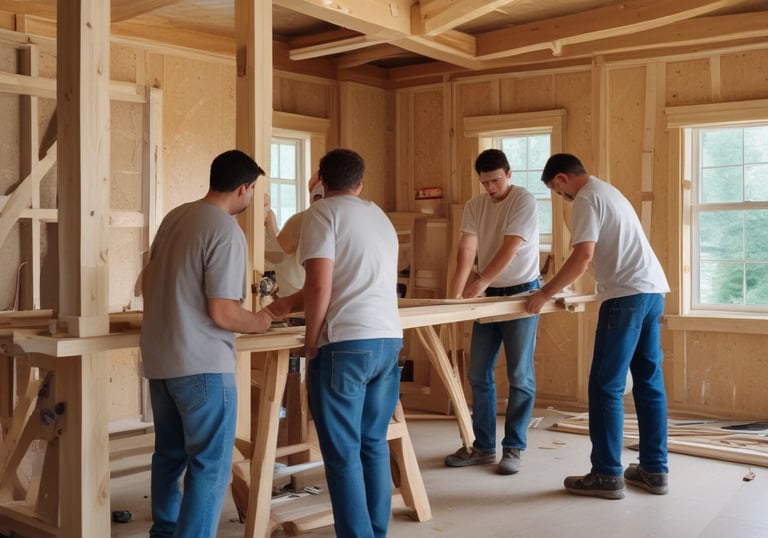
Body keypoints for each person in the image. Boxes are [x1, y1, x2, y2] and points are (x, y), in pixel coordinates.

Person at [140, 149, 275, 538]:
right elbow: (223, 312)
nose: (251, 200)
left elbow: (147, 283)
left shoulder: (175, 217)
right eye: (252, 193)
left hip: (161, 361)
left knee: (169, 456)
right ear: (243, 188)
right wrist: (260, 321)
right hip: (201, 365)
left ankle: (165, 532)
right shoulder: (225, 230)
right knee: (210, 466)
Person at [271, 148, 403, 537]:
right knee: (372, 444)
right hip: (388, 341)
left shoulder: (321, 214)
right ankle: (375, 532)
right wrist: (286, 305)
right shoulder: (378, 216)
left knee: (342, 453)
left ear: (319, 181)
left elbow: (319, 284)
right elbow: (344, 280)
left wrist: (311, 342)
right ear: (361, 183)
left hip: (346, 343)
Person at [526, 153, 670, 500]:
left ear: (560, 179)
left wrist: (544, 292)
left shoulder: (587, 198)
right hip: (652, 292)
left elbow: (583, 255)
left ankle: (606, 474)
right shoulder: (609, 192)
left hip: (625, 298)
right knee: (649, 383)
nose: (561, 198)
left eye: (557, 192)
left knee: (605, 386)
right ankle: (654, 470)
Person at [443, 148, 540, 475]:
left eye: (496, 181)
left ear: (509, 174)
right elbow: (467, 249)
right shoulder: (475, 205)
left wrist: (480, 281)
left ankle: (513, 448)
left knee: (519, 376)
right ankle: (483, 446)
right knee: (478, 373)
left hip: (520, 296)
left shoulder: (524, 200)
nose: (490, 188)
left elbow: (510, 247)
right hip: (488, 297)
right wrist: (453, 297)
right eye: (485, 182)